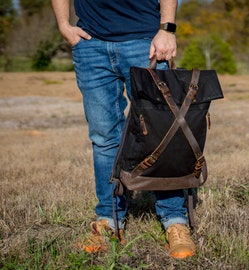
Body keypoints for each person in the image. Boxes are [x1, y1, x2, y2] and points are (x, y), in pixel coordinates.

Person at [51, 0, 196, 259]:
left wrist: (167, 28)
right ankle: (110, 219)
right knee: (104, 137)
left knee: (160, 132)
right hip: (91, 44)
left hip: (144, 41)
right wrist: (64, 25)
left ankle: (174, 220)